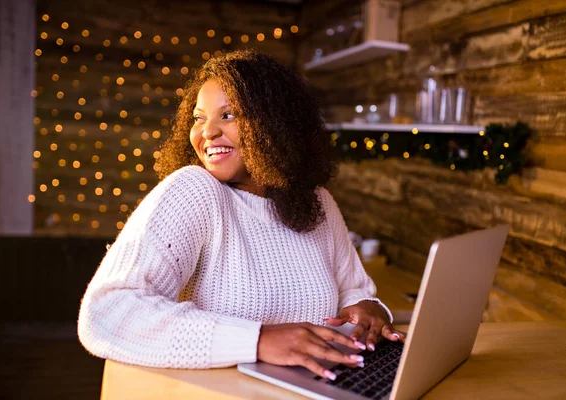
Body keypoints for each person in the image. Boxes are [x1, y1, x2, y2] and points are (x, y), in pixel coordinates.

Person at [78, 49, 405, 381]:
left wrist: (370, 309)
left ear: (276, 124)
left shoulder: (317, 203)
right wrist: (257, 340)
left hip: (315, 385)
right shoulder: (194, 190)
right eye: (198, 117)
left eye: (229, 115)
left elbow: (353, 290)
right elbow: (108, 313)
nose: (207, 132)